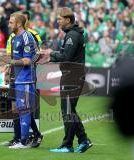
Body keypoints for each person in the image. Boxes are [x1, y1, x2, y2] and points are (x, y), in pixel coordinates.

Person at [40, 7, 92, 153]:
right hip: (74, 74)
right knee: (70, 110)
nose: (58, 21)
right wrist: (51, 56)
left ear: (68, 20)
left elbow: (66, 57)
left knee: (67, 110)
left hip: (72, 75)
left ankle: (68, 144)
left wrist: (51, 54)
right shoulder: (73, 34)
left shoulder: (72, 36)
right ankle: (83, 140)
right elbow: (66, 55)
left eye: (60, 19)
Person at [5, 11, 43, 148]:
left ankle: (23, 141)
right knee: (20, 109)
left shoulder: (27, 37)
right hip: (17, 79)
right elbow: (14, 60)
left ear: (19, 23)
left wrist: (10, 62)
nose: (9, 24)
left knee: (24, 109)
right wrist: (8, 70)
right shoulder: (14, 38)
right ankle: (22, 139)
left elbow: (27, 60)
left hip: (26, 79)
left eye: (11, 22)